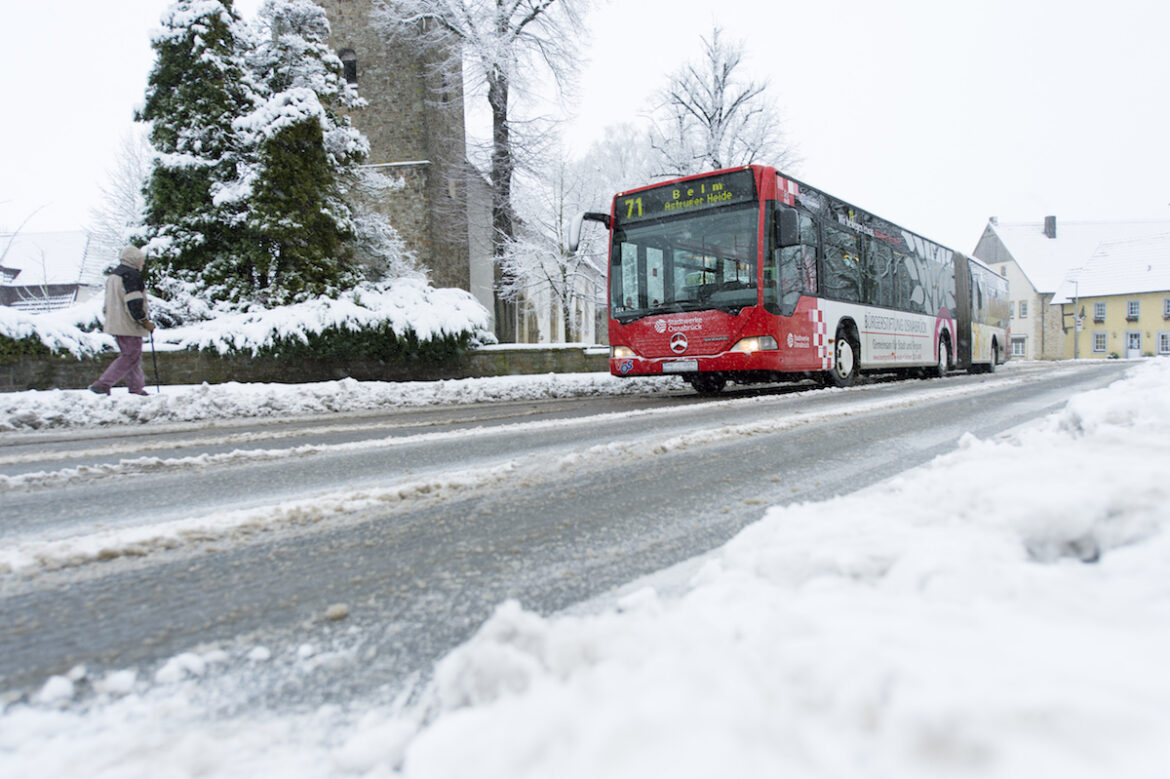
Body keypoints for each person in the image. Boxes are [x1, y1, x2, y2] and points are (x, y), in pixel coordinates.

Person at [89, 245, 156, 396]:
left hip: (116, 321)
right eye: (141, 261)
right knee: (130, 355)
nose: (142, 264)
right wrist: (143, 320)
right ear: (134, 260)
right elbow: (134, 302)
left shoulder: (114, 275)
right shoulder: (131, 275)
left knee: (133, 356)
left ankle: (136, 388)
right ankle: (103, 384)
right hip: (128, 323)